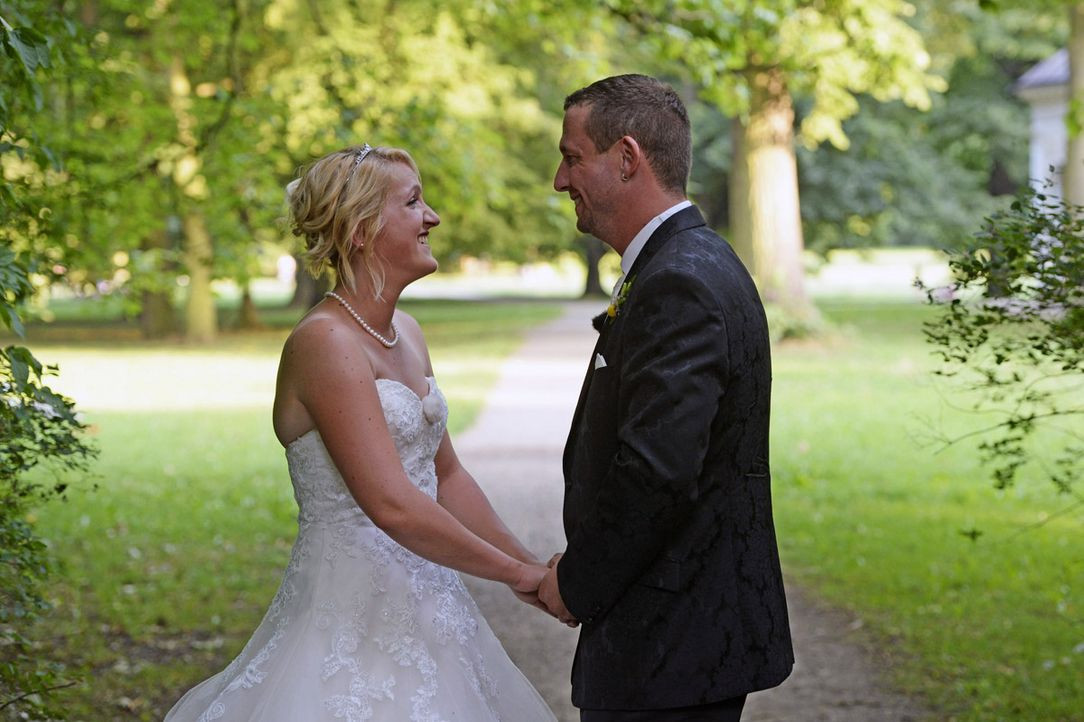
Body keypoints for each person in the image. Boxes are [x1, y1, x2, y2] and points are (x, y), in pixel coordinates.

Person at [165, 144, 557, 721]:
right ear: (359, 230)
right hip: (346, 622)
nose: (434, 217)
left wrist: (533, 569)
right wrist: (515, 574)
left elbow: (445, 476)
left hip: (431, 608)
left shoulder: (409, 332)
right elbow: (392, 504)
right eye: (414, 202)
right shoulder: (325, 343)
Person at [537, 74, 795, 721]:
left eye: (572, 158)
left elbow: (656, 471)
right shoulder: (686, 263)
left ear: (627, 158)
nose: (560, 180)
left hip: (671, 646)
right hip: (672, 639)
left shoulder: (678, 281)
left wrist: (575, 583)